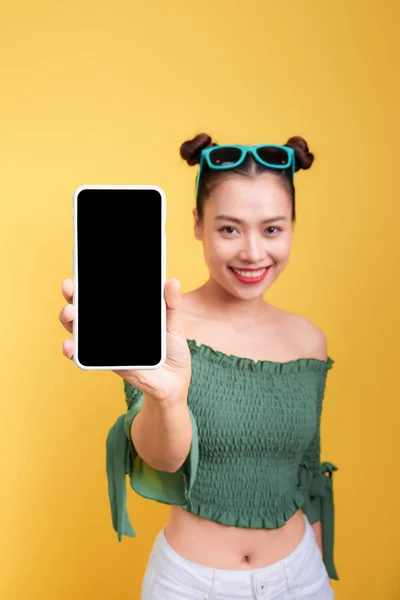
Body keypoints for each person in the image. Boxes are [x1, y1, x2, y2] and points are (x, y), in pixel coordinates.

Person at [59, 133, 339, 599]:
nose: (252, 252)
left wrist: (315, 571)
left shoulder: (308, 339)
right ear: (196, 223)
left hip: (301, 577)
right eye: (229, 229)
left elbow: (305, 472)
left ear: (293, 225)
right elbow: (162, 459)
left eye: (272, 229)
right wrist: (168, 396)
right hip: (193, 585)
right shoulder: (165, 327)